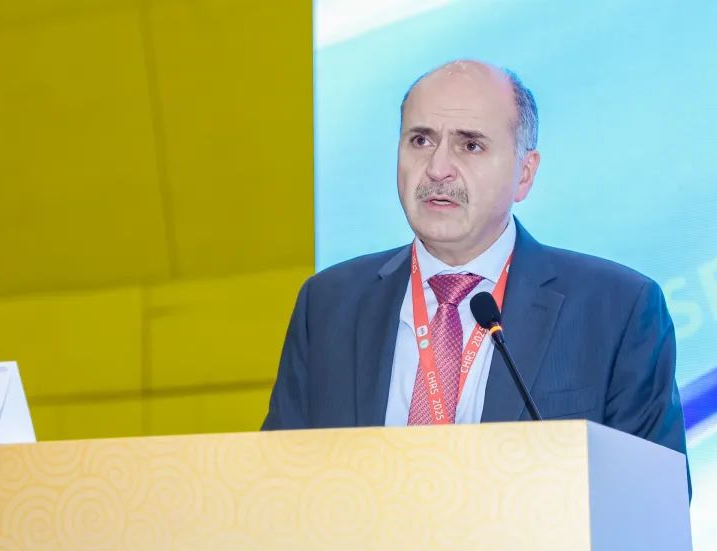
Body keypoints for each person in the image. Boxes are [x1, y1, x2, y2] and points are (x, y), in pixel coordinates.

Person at [263, 60, 686, 469]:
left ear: (524, 173)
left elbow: (650, 501)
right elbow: (274, 485)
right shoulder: (329, 305)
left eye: (470, 145)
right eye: (420, 140)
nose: (437, 169)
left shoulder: (617, 311)